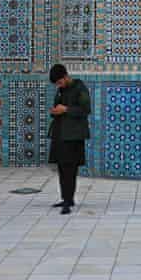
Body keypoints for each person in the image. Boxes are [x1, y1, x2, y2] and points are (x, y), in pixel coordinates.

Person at [48, 64, 92, 215]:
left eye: (60, 82)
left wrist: (66, 109)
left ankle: (68, 200)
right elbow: (59, 108)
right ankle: (66, 198)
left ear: (66, 76)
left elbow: (86, 110)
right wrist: (55, 111)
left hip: (73, 136)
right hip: (61, 134)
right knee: (61, 167)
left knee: (70, 168)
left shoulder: (80, 88)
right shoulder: (61, 90)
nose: (58, 85)